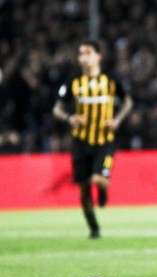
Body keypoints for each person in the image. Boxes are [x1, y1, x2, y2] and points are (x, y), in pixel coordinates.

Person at [53, 41, 133, 238]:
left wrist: (117, 120)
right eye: (80, 54)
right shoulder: (72, 82)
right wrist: (70, 118)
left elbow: (128, 102)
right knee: (84, 190)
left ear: (99, 56)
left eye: (88, 53)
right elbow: (57, 109)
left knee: (98, 178)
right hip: (81, 143)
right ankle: (94, 229)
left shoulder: (111, 80)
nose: (83, 58)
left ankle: (102, 186)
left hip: (104, 141)